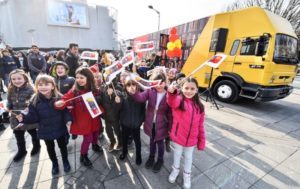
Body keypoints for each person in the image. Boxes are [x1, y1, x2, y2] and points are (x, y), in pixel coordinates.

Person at [16, 75, 72, 174]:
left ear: (53, 86)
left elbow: (65, 111)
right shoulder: (34, 100)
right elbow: (34, 117)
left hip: (59, 127)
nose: (43, 87)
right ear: (36, 86)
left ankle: (65, 161)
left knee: (62, 146)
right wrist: (24, 118)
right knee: (50, 148)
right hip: (45, 129)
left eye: (46, 84)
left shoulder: (59, 97)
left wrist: (68, 120)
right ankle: (54, 163)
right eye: (40, 84)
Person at [55, 67, 103, 167]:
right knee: (87, 138)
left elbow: (101, 103)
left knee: (95, 133)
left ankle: (95, 145)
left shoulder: (95, 89)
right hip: (83, 120)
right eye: (77, 77)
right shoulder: (74, 91)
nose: (78, 80)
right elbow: (65, 99)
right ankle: (83, 155)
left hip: (94, 118)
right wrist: (60, 103)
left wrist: (101, 109)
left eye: (82, 77)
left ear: (89, 78)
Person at [167, 77, 206, 189]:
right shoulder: (179, 101)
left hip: (192, 140)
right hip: (179, 136)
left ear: (197, 90)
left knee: (189, 157)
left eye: (192, 88)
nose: (189, 91)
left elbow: (200, 125)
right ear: (182, 89)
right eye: (186, 88)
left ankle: (187, 175)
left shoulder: (200, 107)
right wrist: (171, 92)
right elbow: (171, 101)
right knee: (177, 154)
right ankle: (175, 170)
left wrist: (201, 141)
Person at [131, 72, 172, 173]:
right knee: (152, 141)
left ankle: (160, 159)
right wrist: (133, 92)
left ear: (165, 83)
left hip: (162, 124)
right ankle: (151, 157)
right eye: (156, 83)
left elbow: (171, 112)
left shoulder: (169, 94)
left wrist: (171, 126)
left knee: (160, 142)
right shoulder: (150, 91)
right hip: (151, 122)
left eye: (161, 83)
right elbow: (140, 98)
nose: (159, 85)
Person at [6, 69, 40, 161]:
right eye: (14, 79)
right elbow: (9, 100)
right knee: (18, 135)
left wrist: (29, 107)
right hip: (15, 117)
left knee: (33, 133)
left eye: (19, 78)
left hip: (28, 117)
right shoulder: (10, 88)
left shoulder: (31, 89)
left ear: (25, 78)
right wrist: (8, 106)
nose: (16, 81)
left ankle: (36, 146)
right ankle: (22, 150)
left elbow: (35, 101)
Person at [118, 78, 145, 165]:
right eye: (129, 85)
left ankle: (138, 155)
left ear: (137, 86)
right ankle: (124, 152)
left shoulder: (141, 97)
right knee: (124, 139)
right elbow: (118, 110)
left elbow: (143, 111)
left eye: (133, 85)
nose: (131, 87)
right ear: (125, 87)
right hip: (125, 123)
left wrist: (140, 121)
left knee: (137, 141)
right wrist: (116, 102)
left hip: (136, 124)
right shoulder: (122, 96)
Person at [96, 84, 122, 152]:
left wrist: (118, 102)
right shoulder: (103, 94)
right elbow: (98, 100)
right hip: (107, 118)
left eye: (110, 88)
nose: (109, 90)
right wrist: (90, 98)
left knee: (118, 131)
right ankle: (112, 142)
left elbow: (121, 106)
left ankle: (120, 142)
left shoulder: (117, 93)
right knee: (109, 132)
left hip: (116, 118)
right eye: (107, 88)